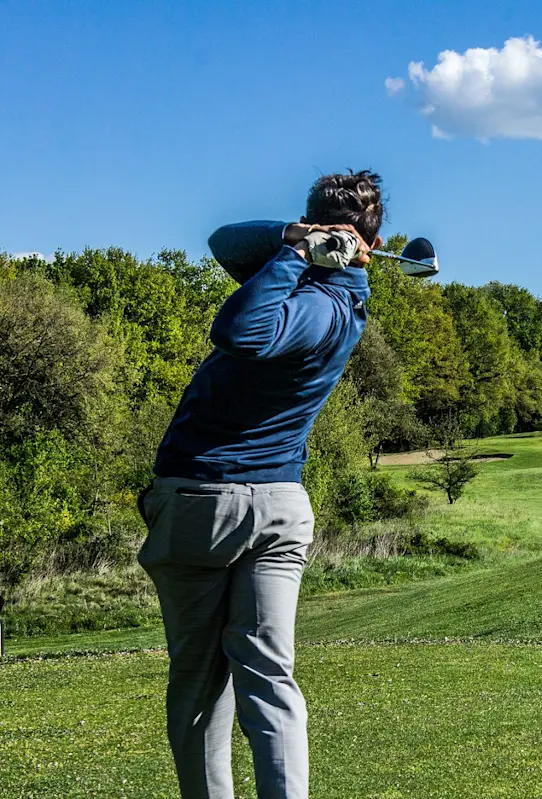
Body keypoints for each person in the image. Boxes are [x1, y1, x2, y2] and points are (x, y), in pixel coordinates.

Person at [137, 170, 385, 799]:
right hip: (278, 506)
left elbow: (240, 332)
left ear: (360, 247)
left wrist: (295, 254)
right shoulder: (325, 291)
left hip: (206, 502)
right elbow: (224, 241)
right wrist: (291, 236)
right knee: (269, 675)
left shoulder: (317, 307)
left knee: (201, 682)